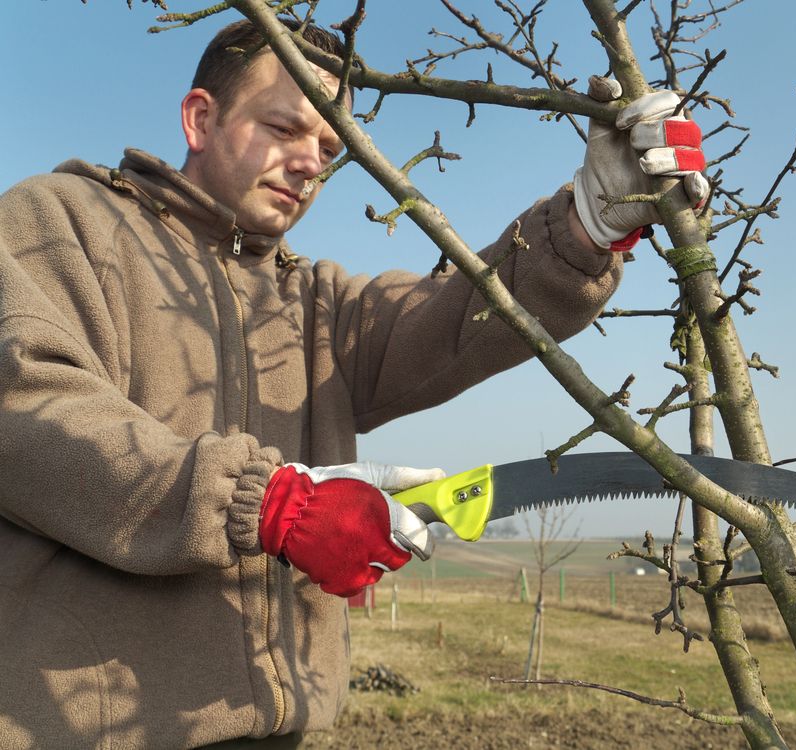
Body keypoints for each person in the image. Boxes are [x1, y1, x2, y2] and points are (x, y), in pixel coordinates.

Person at [0, 18, 706, 750]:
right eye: (284, 128)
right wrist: (265, 505)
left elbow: (454, 314)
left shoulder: (315, 303)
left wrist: (588, 223)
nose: (308, 163)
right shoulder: (59, 221)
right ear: (200, 118)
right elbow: (23, 401)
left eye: (329, 149)